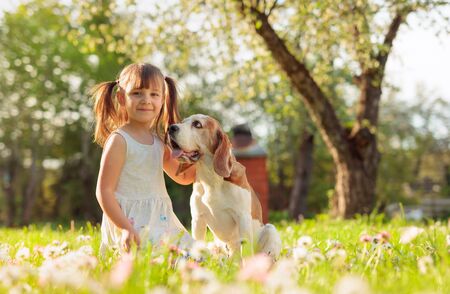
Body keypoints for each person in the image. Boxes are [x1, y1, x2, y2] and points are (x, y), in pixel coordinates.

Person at [91, 63, 195, 254]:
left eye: (154, 94)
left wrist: (206, 159)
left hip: (160, 221)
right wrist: (125, 228)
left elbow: (184, 177)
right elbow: (104, 191)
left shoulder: (159, 143)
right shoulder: (120, 141)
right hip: (129, 222)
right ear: (121, 98)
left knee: (197, 256)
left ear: (162, 100)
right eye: (137, 93)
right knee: (153, 257)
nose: (146, 100)